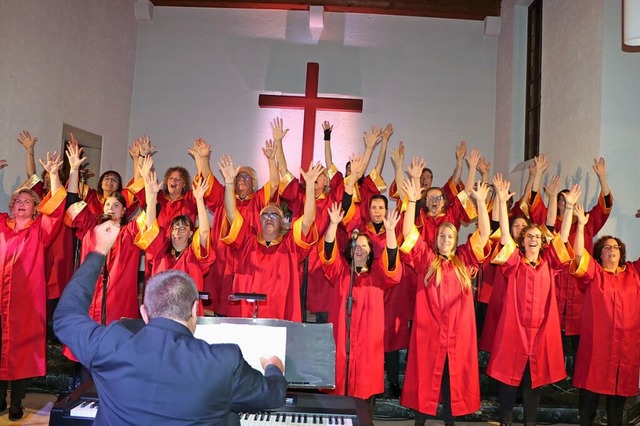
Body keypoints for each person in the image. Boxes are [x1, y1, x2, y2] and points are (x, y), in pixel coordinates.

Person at [53, 220, 287, 425]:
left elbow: (66, 316)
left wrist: (99, 250)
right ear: (195, 310)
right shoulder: (223, 361)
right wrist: (274, 368)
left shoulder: (110, 344)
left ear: (144, 313)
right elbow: (273, 395)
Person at [399, 174, 491, 426]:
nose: (446, 240)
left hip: (458, 333)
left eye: (450, 236)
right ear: (436, 240)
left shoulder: (464, 260)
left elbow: (484, 234)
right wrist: (411, 200)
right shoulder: (427, 261)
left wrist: (481, 203)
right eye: (441, 236)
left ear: (456, 240)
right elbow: (408, 233)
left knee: (452, 378)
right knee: (427, 375)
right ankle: (420, 420)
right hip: (430, 332)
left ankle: (449, 420)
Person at [488, 175, 578, 426]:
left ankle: (530, 421)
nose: (533, 238)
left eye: (537, 236)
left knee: (533, 379)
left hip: (540, 331)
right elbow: (505, 236)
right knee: (508, 378)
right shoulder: (514, 263)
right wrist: (503, 205)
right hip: (514, 329)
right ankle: (505, 420)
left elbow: (563, 237)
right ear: (523, 241)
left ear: (541, 241)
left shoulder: (549, 264)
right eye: (528, 236)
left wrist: (569, 207)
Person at [0, 152, 66, 421]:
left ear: (36, 207)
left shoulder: (40, 230)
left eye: (27, 201)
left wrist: (52, 174)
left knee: (22, 351)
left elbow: (58, 211)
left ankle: (16, 402)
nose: (21, 204)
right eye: (17, 200)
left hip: (26, 304)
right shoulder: (1, 226)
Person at [218, 155, 321, 321]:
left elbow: (308, 219)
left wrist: (309, 186)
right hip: (247, 315)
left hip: (279, 316)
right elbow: (231, 214)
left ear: (281, 222)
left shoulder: (290, 245)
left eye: (274, 214)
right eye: (265, 214)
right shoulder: (247, 241)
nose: (269, 218)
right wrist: (230, 183)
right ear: (259, 221)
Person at [319, 201, 402, 404]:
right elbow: (328, 253)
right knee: (338, 387)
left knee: (364, 394)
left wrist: (390, 231)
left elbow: (392, 261)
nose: (360, 249)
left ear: (371, 252)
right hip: (342, 340)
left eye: (365, 245)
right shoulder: (340, 271)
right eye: (356, 244)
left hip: (367, 343)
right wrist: (333, 225)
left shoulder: (378, 275)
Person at [570, 204, 640, 426]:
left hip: (625, 348)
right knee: (590, 396)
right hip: (598, 347)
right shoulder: (594, 273)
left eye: (617, 247)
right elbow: (579, 254)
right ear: (599, 254)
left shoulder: (633, 273)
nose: (613, 249)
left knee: (617, 403)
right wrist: (581, 225)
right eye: (608, 246)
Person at [135, 155, 215, 316]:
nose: (177, 231)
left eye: (183, 228)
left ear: (192, 232)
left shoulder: (195, 253)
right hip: (162, 313)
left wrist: (199, 199)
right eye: (174, 228)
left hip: (187, 315)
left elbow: (205, 232)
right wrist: (151, 196)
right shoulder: (161, 250)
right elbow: (151, 226)